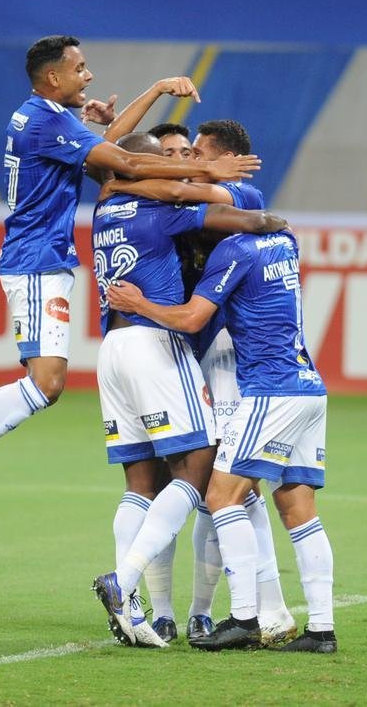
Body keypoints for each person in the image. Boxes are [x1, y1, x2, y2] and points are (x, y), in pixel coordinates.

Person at [0, 36, 260, 520]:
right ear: (54, 77)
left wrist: (155, 90)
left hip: (41, 259)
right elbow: (128, 161)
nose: (88, 76)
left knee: (45, 384)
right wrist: (208, 166)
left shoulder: (39, 115)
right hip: (35, 261)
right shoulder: (47, 122)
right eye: (80, 68)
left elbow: (113, 143)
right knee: (46, 383)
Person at [97, 117, 298, 644]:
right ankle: (153, 608)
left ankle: (230, 609)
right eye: (173, 154)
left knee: (226, 487)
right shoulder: (162, 210)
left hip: (222, 352)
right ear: (153, 163)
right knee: (183, 482)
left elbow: (249, 219)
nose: (185, 159)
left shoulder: (224, 196)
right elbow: (118, 166)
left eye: (193, 152)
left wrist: (119, 175)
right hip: (172, 351)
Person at [100, 225, 337, 653]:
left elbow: (193, 320)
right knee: (297, 507)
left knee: (220, 495)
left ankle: (244, 618)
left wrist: (138, 303)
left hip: (267, 389)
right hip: (308, 386)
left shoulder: (233, 251)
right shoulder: (284, 240)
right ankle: (320, 630)